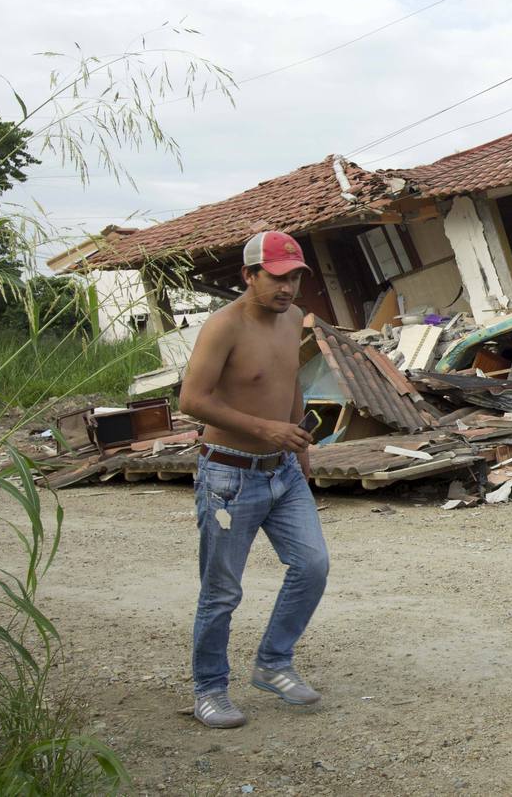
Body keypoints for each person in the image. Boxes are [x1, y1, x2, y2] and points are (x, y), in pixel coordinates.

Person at [179, 231, 328, 728]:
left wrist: (301, 455)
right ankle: (210, 689)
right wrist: (267, 429)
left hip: (283, 471)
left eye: (295, 278)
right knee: (221, 591)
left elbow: (289, 385)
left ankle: (272, 662)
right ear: (249, 275)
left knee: (312, 566)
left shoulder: (291, 321)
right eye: (278, 277)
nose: (288, 288)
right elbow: (192, 401)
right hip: (229, 474)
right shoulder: (223, 327)